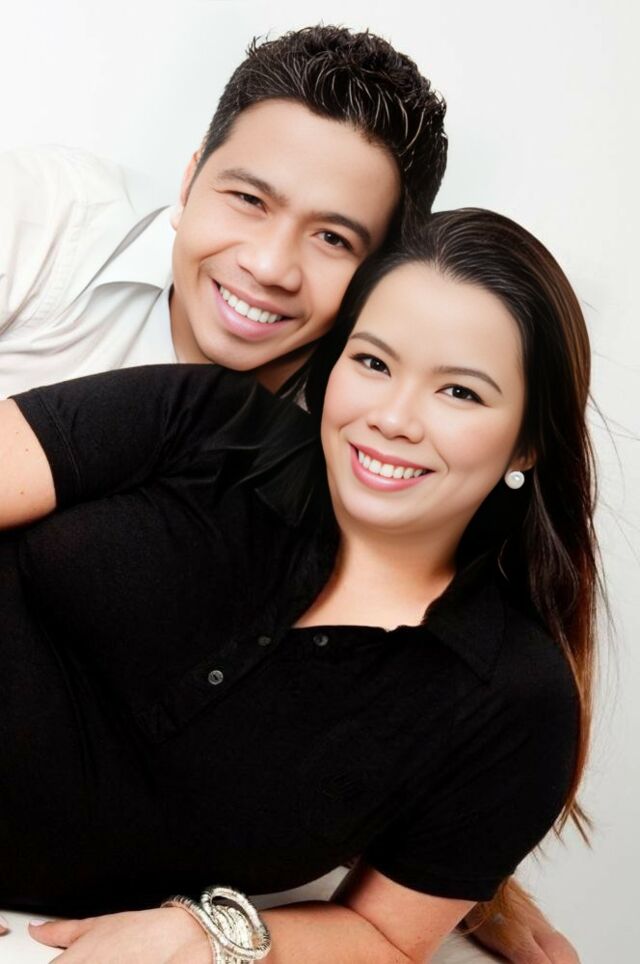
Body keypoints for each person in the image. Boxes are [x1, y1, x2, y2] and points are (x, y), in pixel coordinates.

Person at [0, 209, 595, 962]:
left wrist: (209, 936)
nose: (393, 418)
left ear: (530, 440)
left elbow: (386, 933)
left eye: (460, 393)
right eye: (373, 362)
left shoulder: (513, 698)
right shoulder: (202, 417)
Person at [0, 25, 446, 399]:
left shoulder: (364, 428)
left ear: (382, 271)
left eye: (333, 238)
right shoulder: (47, 213)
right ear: (189, 181)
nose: (269, 266)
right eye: (249, 200)